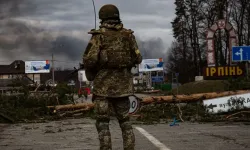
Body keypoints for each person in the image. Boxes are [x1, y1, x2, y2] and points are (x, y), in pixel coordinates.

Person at [83, 4, 142, 150]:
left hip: (103, 87)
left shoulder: (99, 37)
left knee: (103, 122)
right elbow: (138, 58)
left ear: (102, 17)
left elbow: (89, 59)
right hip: (123, 87)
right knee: (125, 122)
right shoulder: (128, 35)